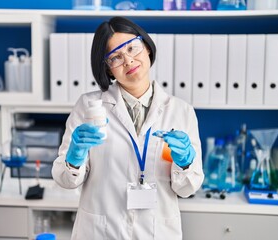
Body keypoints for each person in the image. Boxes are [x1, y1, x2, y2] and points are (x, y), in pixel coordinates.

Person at [52, 16, 204, 240]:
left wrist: (186, 163)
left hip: (156, 232)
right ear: (109, 69)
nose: (128, 61)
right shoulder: (87, 107)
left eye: (133, 48)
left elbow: (187, 188)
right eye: (115, 57)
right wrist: (74, 158)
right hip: (101, 232)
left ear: (148, 49)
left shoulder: (181, 112)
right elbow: (65, 180)